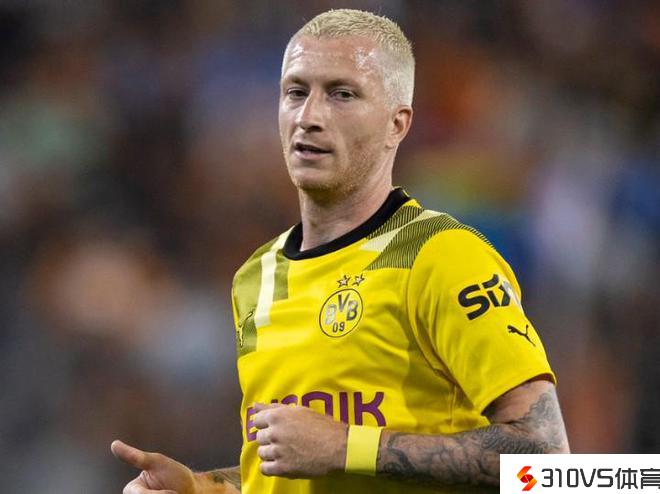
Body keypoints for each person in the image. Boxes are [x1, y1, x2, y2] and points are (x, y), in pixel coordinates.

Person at [111, 9, 570, 494]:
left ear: (397, 124)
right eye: (296, 92)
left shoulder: (441, 257)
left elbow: (549, 465)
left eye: (342, 94)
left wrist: (346, 445)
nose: (309, 117)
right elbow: (291, 469)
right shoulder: (256, 277)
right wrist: (202, 486)